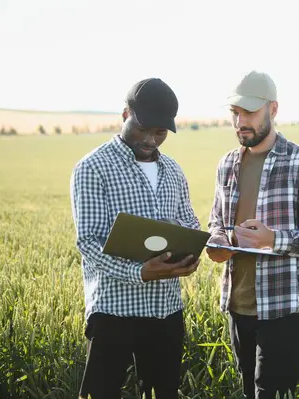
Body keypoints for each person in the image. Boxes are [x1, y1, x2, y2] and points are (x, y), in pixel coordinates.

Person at [206, 70, 299, 398]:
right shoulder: (227, 165)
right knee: (250, 391)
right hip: (239, 303)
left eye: (249, 112)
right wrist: (217, 243)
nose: (240, 122)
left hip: (283, 308)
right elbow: (217, 223)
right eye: (235, 113)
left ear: (273, 110)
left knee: (272, 392)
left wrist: (272, 239)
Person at [70, 77, 201, 399]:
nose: (151, 140)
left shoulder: (173, 170)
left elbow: (189, 221)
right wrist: (138, 272)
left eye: (160, 133)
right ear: (126, 114)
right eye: (143, 129)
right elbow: (88, 241)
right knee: (101, 393)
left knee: (164, 393)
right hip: (114, 310)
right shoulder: (93, 167)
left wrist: (189, 256)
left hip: (166, 308)